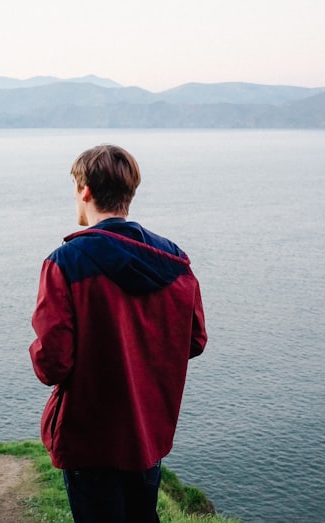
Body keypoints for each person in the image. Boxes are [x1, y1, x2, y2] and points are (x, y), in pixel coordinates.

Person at [29, 144, 207, 522]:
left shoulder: (64, 263)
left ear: (85, 191)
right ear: (129, 193)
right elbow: (194, 340)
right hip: (147, 427)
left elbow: (52, 364)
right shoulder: (174, 260)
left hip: (88, 433)